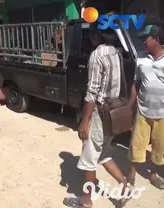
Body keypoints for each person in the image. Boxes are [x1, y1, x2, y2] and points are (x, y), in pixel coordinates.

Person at [63, 23, 131, 208]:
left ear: (96, 35)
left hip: (100, 113)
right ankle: (125, 185)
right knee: (103, 152)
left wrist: (84, 122)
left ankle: (86, 201)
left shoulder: (97, 55)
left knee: (88, 159)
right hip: (113, 112)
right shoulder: (116, 53)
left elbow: (92, 92)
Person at [127, 25, 164, 189]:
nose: (143, 42)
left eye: (146, 38)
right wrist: (130, 105)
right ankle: (131, 175)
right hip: (142, 111)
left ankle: (153, 174)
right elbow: (136, 83)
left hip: (162, 114)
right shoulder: (141, 59)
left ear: (156, 39)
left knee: (159, 148)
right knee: (136, 145)